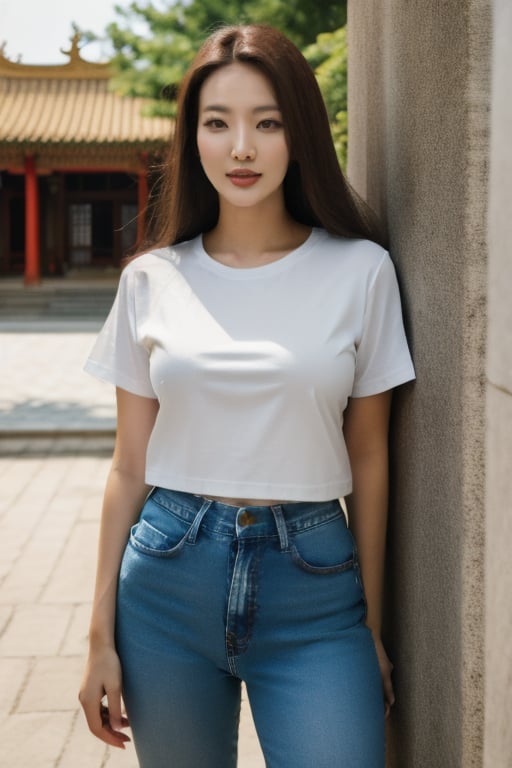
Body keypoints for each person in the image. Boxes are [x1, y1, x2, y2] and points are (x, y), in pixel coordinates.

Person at [79, 23, 415, 768]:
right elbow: (128, 467)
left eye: (267, 123)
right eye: (218, 123)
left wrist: (372, 631)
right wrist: (99, 637)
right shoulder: (150, 279)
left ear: (299, 134)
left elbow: (369, 458)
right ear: (191, 137)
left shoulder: (361, 271)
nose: (241, 148)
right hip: (165, 586)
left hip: (317, 595)